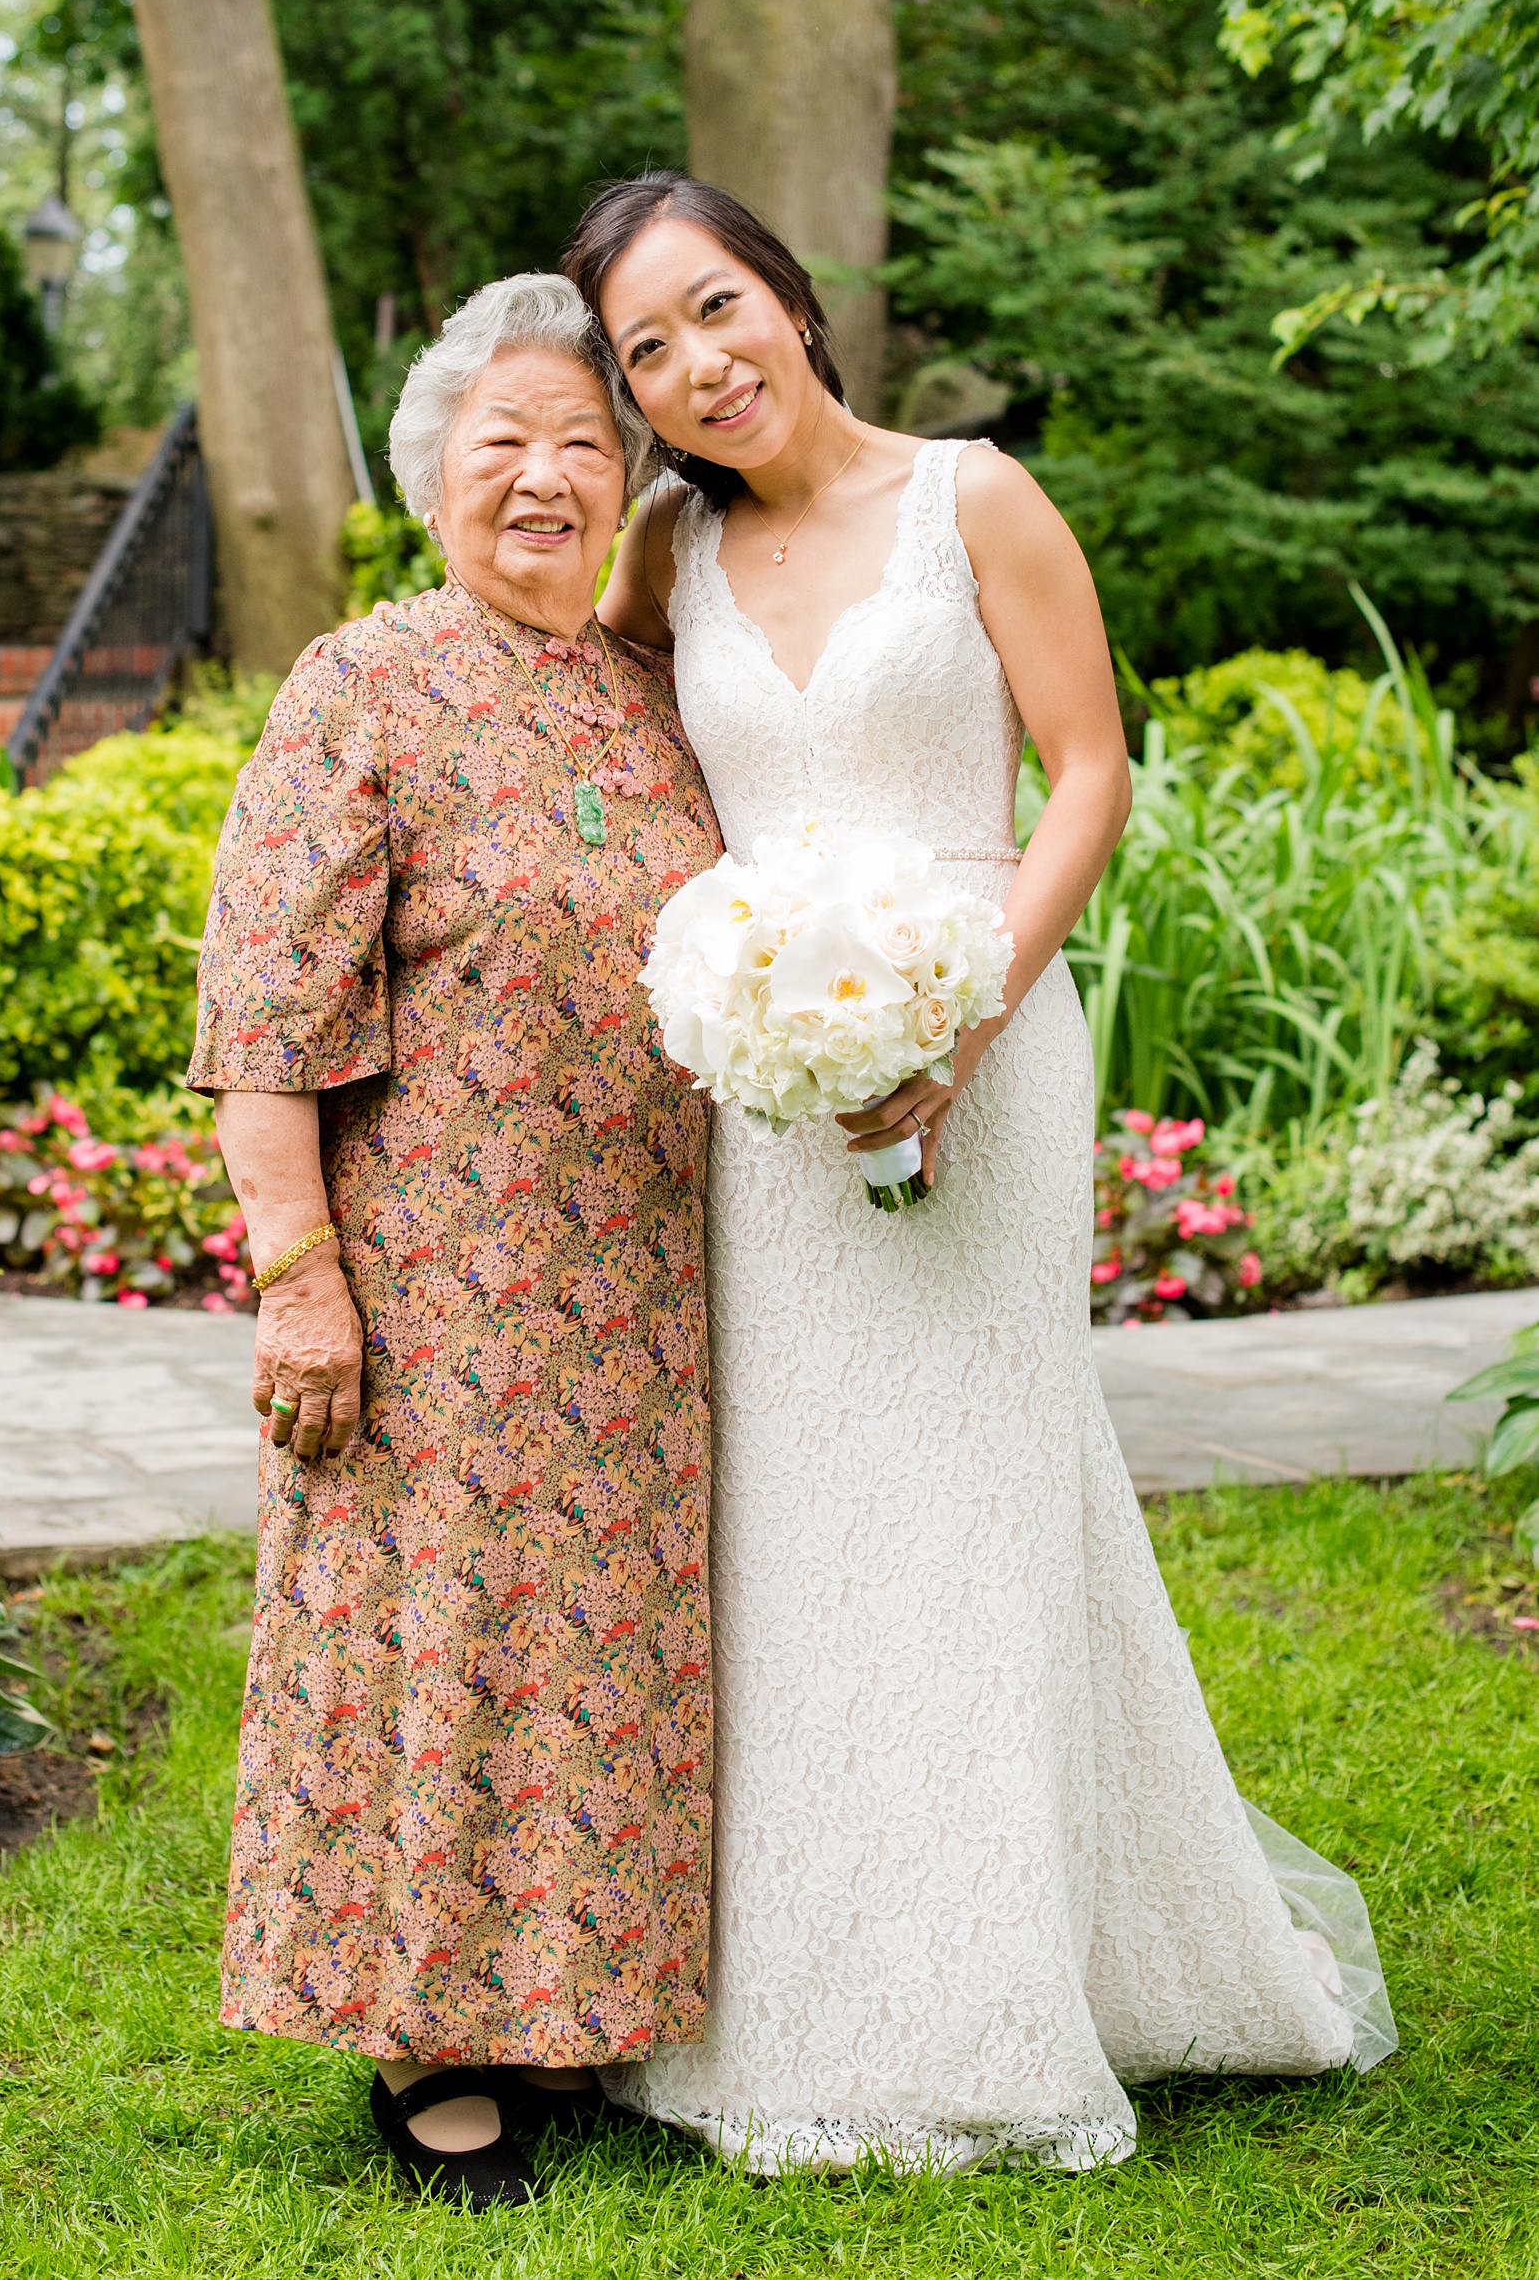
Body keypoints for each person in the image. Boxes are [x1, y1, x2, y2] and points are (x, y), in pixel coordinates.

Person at [562, 173, 1395, 2172]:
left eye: (713, 308)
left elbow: (1087, 764)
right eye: (645, 351)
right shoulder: (662, 543)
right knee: (792, 1502)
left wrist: (969, 1021)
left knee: (974, 1480)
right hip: (766, 1077)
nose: (695, 365)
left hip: (982, 1029)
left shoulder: (974, 499)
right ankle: (784, 1982)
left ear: (785, 288)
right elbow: (565, 717)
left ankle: (1007, 1975)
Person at [187, 272, 723, 2209]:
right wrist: (300, 1274)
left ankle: (574, 1994)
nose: (543, 475)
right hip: (434, 1286)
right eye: (503, 438)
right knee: (439, 1652)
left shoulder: (643, 689)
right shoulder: (361, 681)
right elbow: (266, 1011)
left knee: (598, 1655)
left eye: (584, 443)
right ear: (431, 471)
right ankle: (429, 2033)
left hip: (640, 1284)